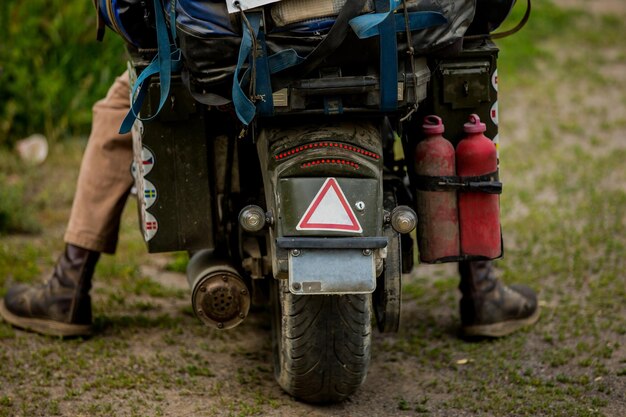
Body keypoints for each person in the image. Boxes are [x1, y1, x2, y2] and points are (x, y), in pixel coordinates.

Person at [0, 72, 539, 338]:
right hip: (379, 35)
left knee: (124, 101)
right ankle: (481, 289)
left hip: (235, 44)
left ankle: (70, 288)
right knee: (457, 94)